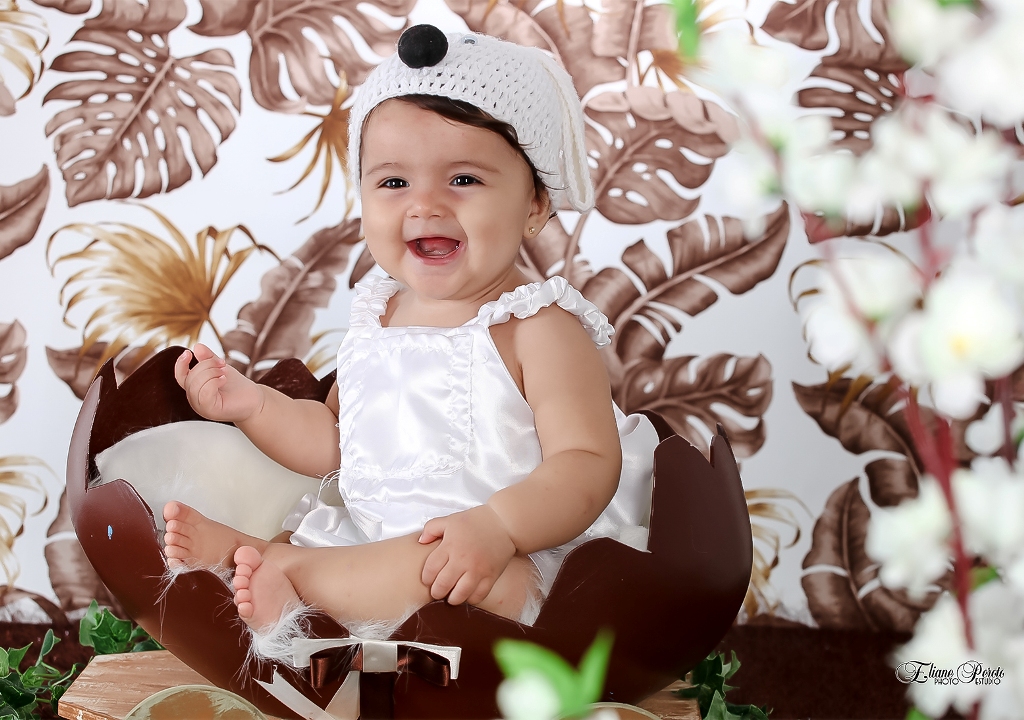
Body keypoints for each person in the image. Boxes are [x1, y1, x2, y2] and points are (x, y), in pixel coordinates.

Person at [162, 24, 658, 645]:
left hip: (495, 557)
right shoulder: (378, 320)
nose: (425, 205)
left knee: (477, 580)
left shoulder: (539, 328)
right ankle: (296, 573)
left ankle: (277, 567)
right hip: (372, 546)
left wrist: (500, 526)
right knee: (341, 536)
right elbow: (338, 443)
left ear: (535, 204)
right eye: (394, 183)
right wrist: (252, 405)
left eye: (464, 179)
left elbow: (586, 463)